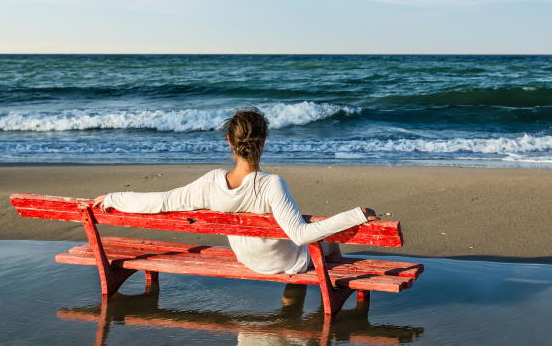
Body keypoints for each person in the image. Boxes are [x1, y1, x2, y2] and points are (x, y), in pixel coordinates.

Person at [93, 107, 376, 275]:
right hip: (284, 262)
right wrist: (356, 215)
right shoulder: (271, 184)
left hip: (248, 259)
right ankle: (325, 294)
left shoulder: (211, 183)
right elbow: (300, 234)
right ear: (263, 143)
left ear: (229, 142)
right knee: (326, 243)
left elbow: (162, 201)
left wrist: (114, 198)